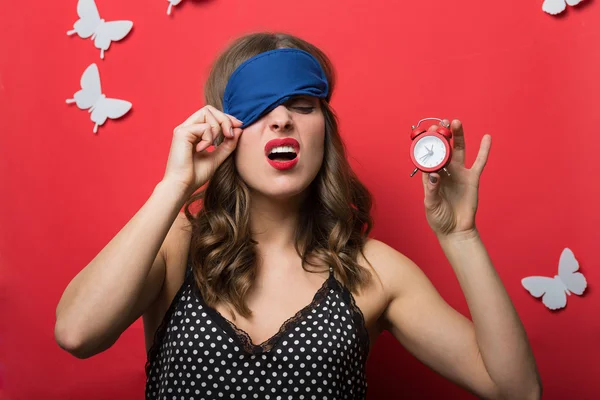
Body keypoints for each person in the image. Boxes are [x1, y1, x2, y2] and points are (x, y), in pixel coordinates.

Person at [55, 32, 542, 399]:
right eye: (261, 107)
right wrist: (175, 186)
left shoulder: (372, 271)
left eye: (303, 105)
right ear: (225, 129)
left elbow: (519, 390)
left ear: (324, 132)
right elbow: (77, 333)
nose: (283, 118)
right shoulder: (176, 246)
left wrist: (461, 236)